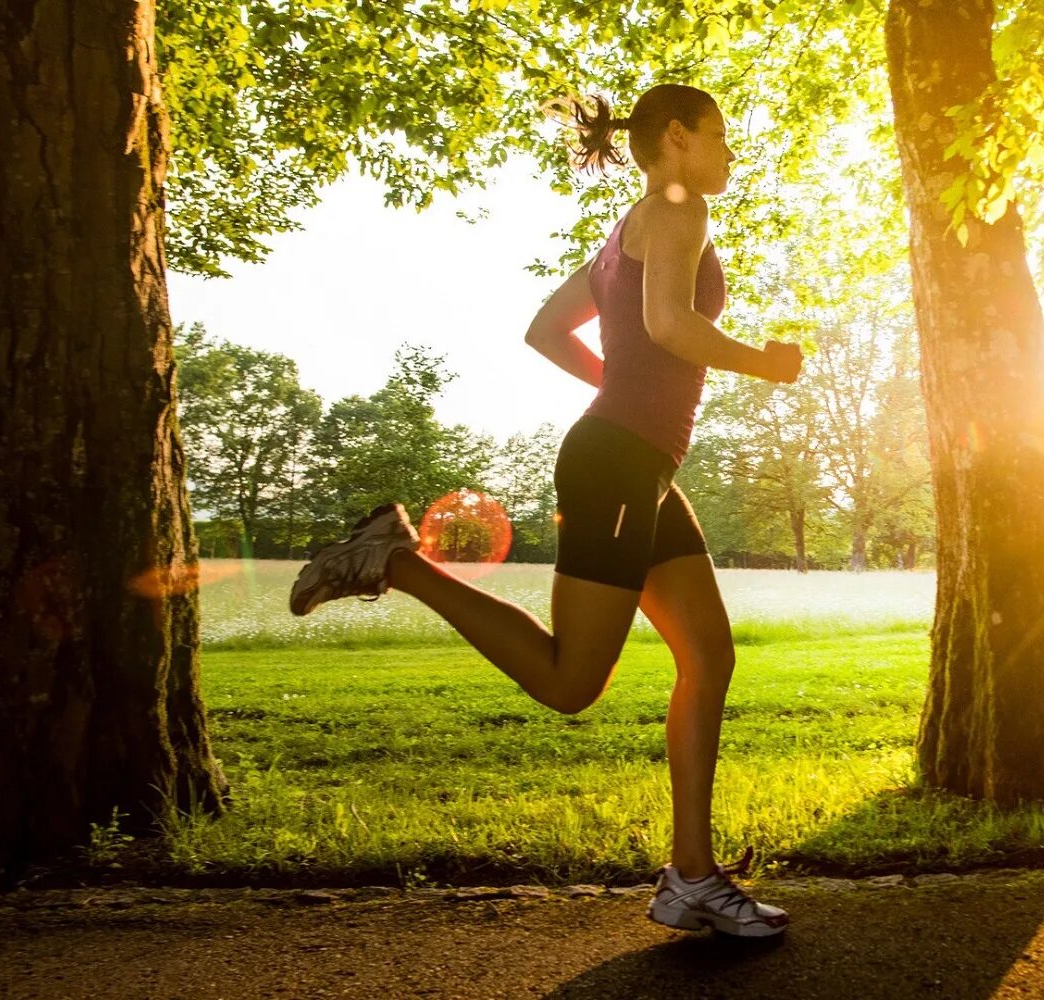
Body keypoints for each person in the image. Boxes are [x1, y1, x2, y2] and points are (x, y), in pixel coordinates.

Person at [289, 84, 802, 938]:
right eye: (720, 136)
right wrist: (765, 362)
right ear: (675, 138)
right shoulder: (679, 207)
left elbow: (546, 329)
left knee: (708, 656)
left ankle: (691, 877)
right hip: (618, 465)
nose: (729, 152)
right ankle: (396, 560)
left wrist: (630, 391)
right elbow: (671, 325)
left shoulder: (623, 232)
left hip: (634, 460)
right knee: (571, 683)